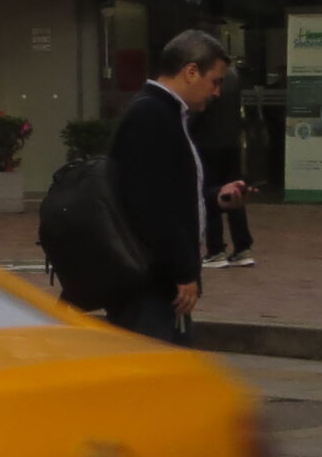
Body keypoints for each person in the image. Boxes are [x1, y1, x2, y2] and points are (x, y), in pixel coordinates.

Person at [105, 30, 249, 344]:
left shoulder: (166, 114)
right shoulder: (151, 115)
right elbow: (152, 206)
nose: (217, 92)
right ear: (190, 71)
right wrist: (183, 272)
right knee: (154, 372)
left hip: (156, 280)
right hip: (151, 282)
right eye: (216, 80)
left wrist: (216, 200)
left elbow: (173, 194)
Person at [198, 64, 255, 268]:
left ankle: (216, 250)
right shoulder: (232, 74)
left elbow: (200, 110)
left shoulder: (208, 75)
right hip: (231, 141)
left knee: (211, 194)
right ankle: (243, 247)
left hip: (208, 142)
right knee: (234, 193)